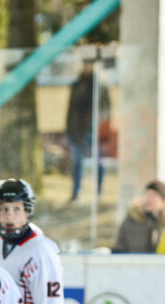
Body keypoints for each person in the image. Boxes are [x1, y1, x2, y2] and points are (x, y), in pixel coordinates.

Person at [65, 63, 110, 202]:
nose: (86, 68)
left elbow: (106, 108)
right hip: (79, 130)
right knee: (77, 162)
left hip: (95, 128)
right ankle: (76, 192)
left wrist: (104, 128)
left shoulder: (100, 86)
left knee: (99, 162)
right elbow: (71, 110)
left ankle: (99, 192)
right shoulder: (77, 85)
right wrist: (69, 131)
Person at [113, 180, 165, 253]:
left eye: (153, 196)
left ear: (162, 200)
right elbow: (119, 247)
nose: (149, 199)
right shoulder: (132, 219)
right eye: (147, 195)